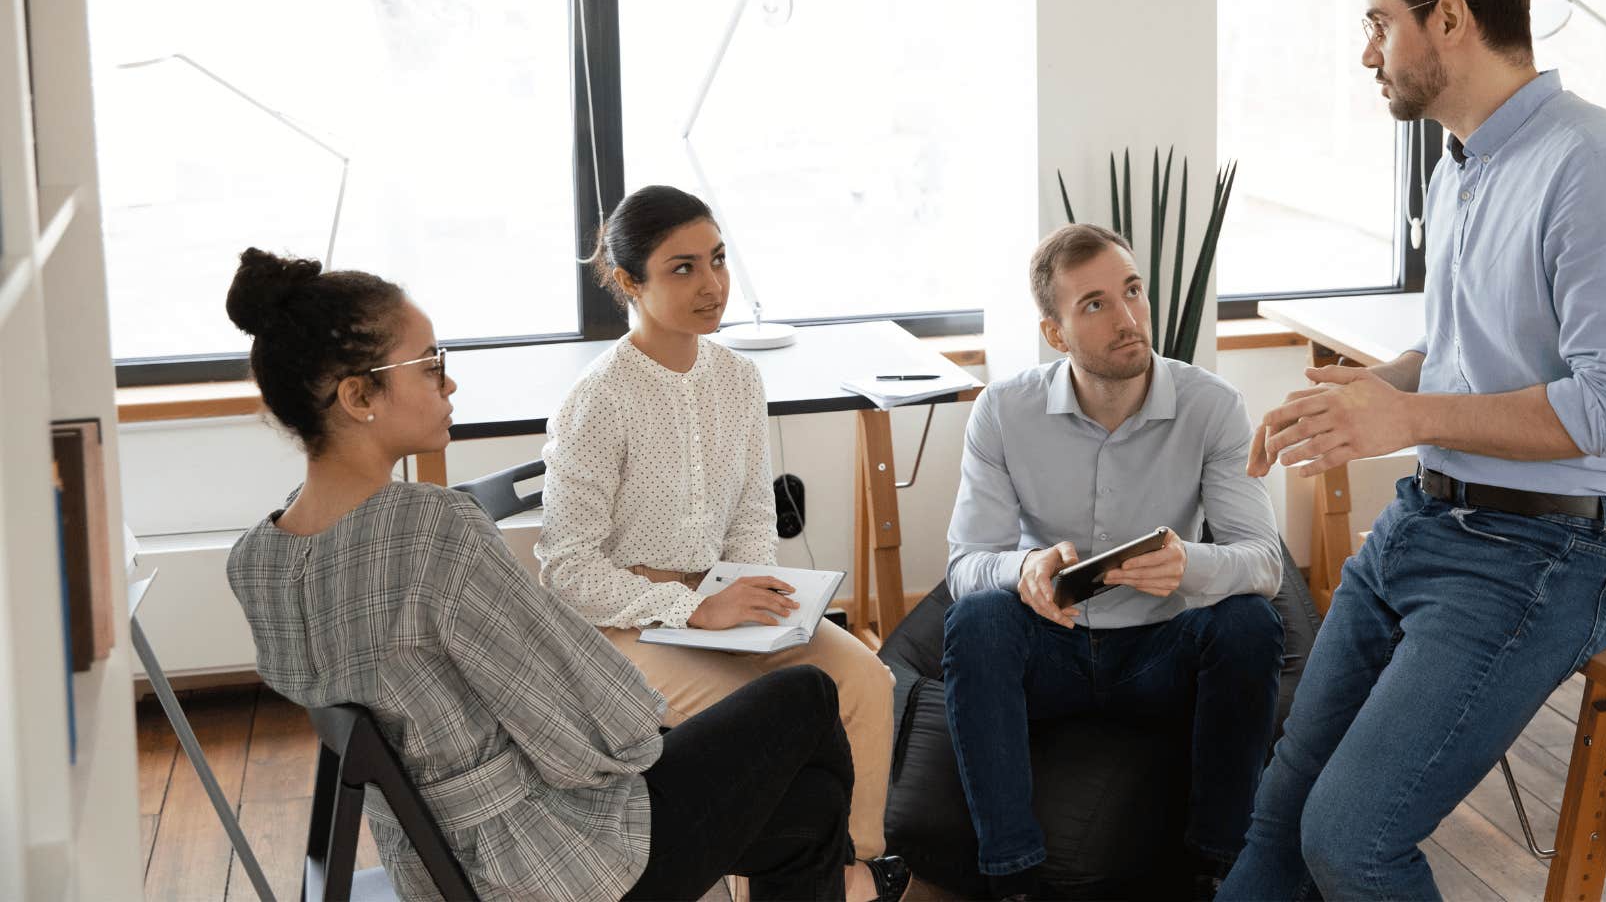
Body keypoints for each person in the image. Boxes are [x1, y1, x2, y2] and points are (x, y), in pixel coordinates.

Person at [1220, 0, 1606, 901]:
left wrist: (1411, 417)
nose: (1367, 54)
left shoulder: (1598, 165)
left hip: (1551, 555)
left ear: (1447, 20)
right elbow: (1470, 352)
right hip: (1429, 525)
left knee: (1349, 841)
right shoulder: (1464, 168)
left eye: (1377, 23)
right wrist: (1378, 389)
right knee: (1278, 819)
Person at [222, 247, 908, 902]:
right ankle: (853, 879)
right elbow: (598, 727)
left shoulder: (256, 561)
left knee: (810, 805)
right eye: (431, 365)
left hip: (432, 862)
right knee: (808, 695)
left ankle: (842, 880)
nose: (449, 381)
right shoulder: (434, 528)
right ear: (357, 395)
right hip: (554, 864)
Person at [538, 185, 899, 861]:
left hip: (725, 609)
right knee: (774, 720)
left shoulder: (737, 379)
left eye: (719, 259)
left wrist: (751, 596)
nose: (714, 285)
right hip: (623, 630)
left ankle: (856, 865)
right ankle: (778, 872)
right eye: (683, 268)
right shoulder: (598, 401)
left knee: (866, 681)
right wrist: (692, 607)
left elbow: (751, 522)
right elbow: (566, 573)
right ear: (628, 282)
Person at [942, 223, 1290, 900]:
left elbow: (1263, 563)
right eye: (1095, 304)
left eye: (1132, 292)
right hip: (1052, 649)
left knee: (1251, 623)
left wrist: (1188, 563)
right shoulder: (1003, 412)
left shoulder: (1212, 407)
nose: (1127, 318)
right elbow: (964, 567)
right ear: (1055, 332)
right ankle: (1011, 881)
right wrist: (1024, 570)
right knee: (978, 621)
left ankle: (1219, 871)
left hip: (1163, 654)